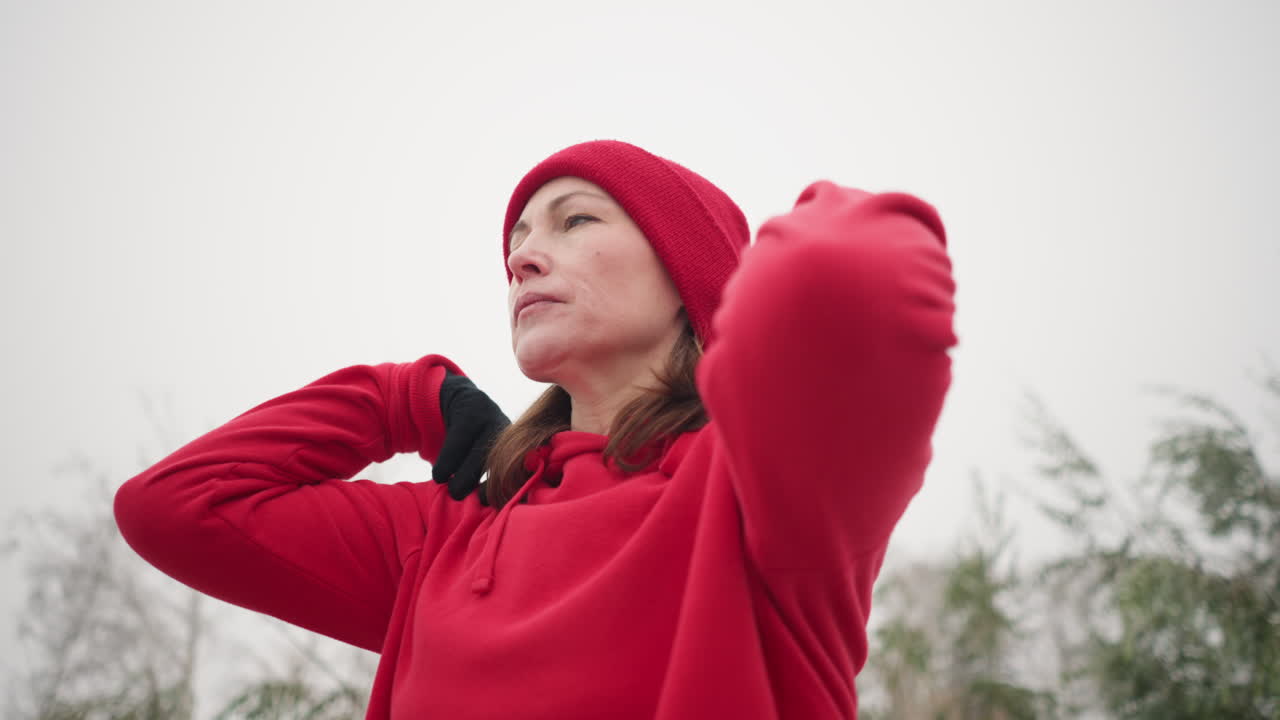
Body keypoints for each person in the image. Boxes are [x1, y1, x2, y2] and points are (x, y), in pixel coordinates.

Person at [115, 139, 957, 718]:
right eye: (516, 241)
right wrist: (407, 398)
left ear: (686, 275)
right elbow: (173, 507)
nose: (520, 258)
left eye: (575, 220)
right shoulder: (444, 537)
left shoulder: (761, 495)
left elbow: (854, 260)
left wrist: (732, 311)